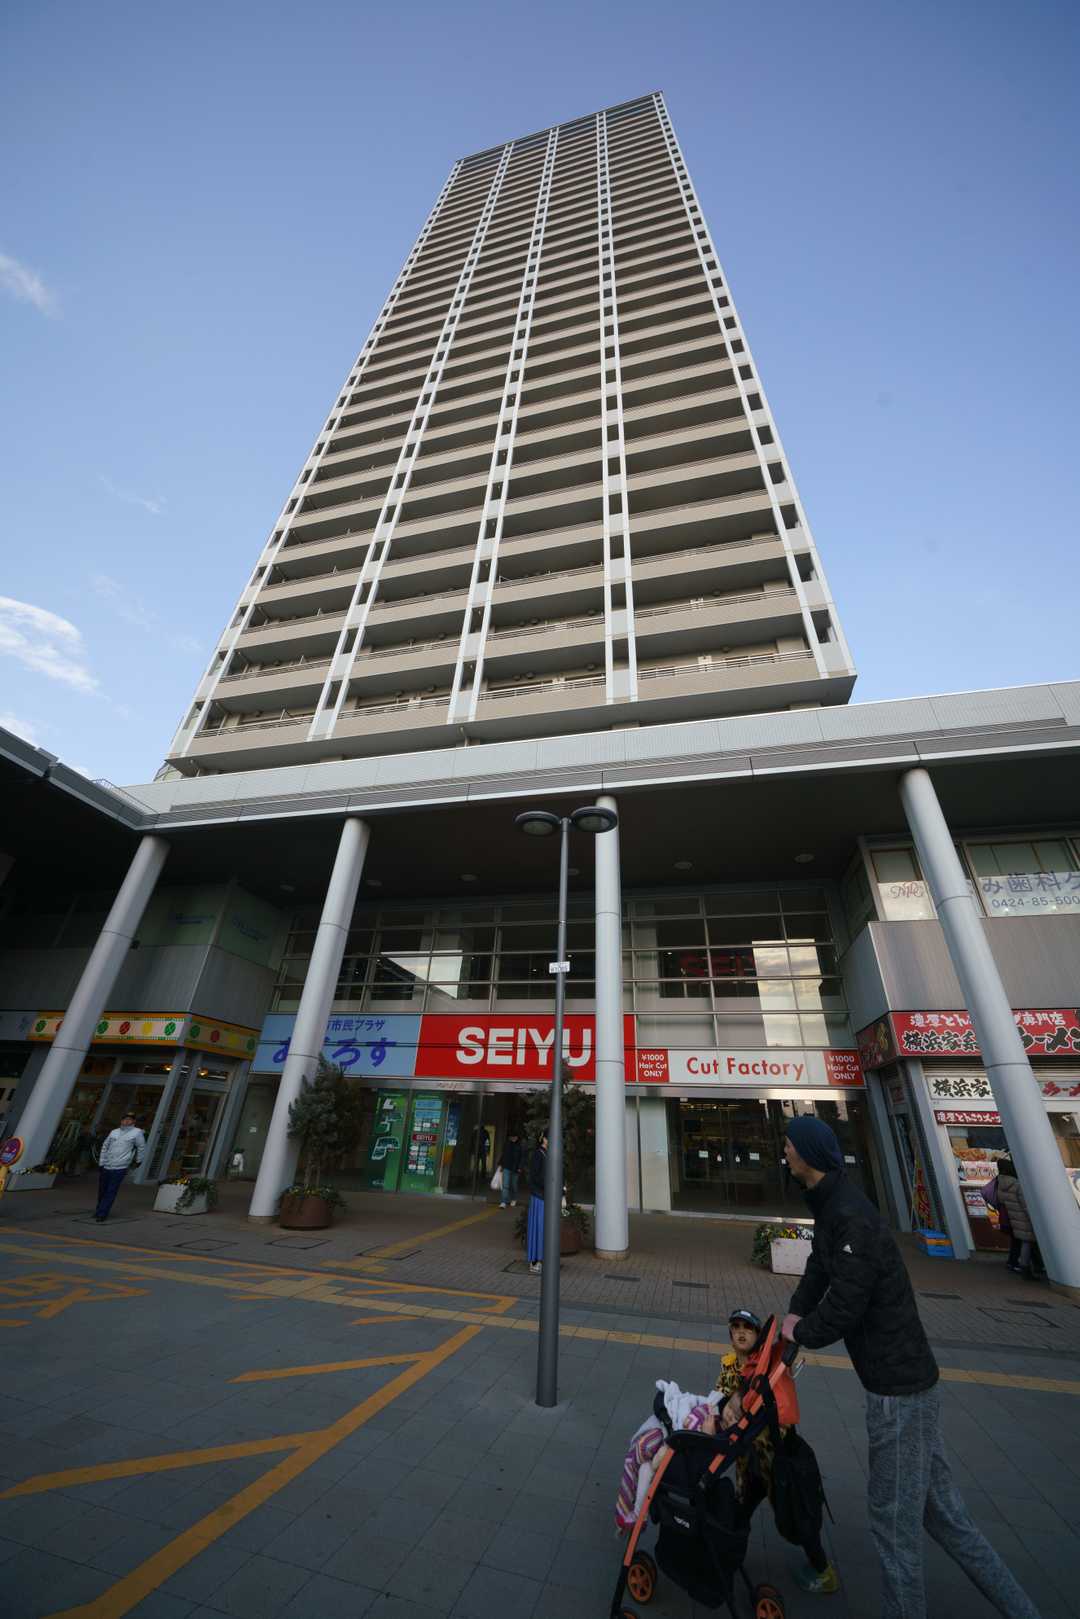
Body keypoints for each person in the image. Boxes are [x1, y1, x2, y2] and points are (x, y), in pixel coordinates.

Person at [780, 1114, 1042, 1618]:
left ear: (809, 1152)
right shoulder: (832, 1207)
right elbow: (820, 1267)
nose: (784, 1152)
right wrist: (794, 1314)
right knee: (945, 1519)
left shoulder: (850, 1214)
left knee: (893, 1526)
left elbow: (848, 1302)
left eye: (790, 1145)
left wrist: (802, 1333)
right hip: (905, 1385)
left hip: (898, 1393)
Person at [715, 1308, 839, 1594]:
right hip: (750, 1458)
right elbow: (720, 1399)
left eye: (748, 1327)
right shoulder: (731, 1366)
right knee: (742, 1508)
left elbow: (787, 1345)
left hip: (776, 1459)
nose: (741, 1332)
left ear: (759, 1336)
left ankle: (823, 1570)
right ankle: (729, 1558)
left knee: (795, 1514)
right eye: (736, 1327)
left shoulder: (769, 1364)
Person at [993, 1157, 1042, 1277]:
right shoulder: (1017, 1184)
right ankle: (1026, 1267)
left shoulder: (1000, 1183)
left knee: (1020, 1241)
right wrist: (1034, 1217)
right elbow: (1025, 1204)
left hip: (1012, 1217)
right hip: (1023, 1217)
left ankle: (1020, 1264)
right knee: (1027, 1241)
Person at [94, 1111, 146, 1222]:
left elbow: (141, 1147)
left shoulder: (137, 1133)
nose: (126, 1121)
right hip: (107, 1165)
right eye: (125, 1119)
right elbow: (105, 1146)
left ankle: (102, 1213)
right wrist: (101, 1162)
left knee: (111, 1191)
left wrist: (139, 1161)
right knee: (102, 1190)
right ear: (121, 1121)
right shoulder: (114, 1132)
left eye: (129, 1119)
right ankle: (99, 1209)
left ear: (133, 1121)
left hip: (120, 1167)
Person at [526, 1130, 548, 1273]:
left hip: (546, 1196)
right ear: (544, 1139)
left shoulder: (549, 1153)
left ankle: (541, 1258)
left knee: (543, 1228)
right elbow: (534, 1176)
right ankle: (535, 1260)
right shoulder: (538, 1154)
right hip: (539, 1196)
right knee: (538, 1228)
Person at [498, 1129, 524, 1209]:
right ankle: (503, 1202)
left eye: (515, 1137)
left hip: (516, 1169)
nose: (513, 1138)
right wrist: (501, 1165)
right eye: (512, 1137)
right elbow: (503, 1155)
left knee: (514, 1185)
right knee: (505, 1185)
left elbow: (522, 1158)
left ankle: (514, 1198)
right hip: (507, 1167)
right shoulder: (506, 1144)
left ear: (517, 1137)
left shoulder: (520, 1146)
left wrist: (520, 1167)